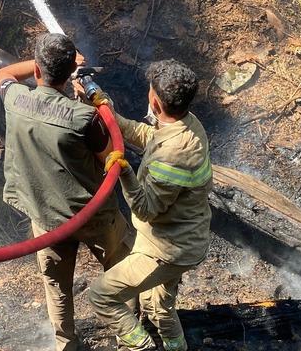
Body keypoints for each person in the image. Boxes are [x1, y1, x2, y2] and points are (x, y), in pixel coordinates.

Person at [0, 33, 133, 351]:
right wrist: (85, 93)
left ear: (39, 71)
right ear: (70, 71)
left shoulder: (14, 98)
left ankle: (65, 345)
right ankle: (129, 337)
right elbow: (111, 156)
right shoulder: (84, 117)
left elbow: (4, 73)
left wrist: (48, 63)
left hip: (45, 216)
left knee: (56, 284)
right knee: (121, 271)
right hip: (93, 215)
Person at [87, 59, 212, 351]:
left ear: (154, 102)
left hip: (168, 251)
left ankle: (140, 346)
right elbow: (148, 136)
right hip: (177, 237)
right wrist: (108, 112)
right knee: (156, 306)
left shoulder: (175, 155)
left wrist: (126, 172)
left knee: (101, 295)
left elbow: (145, 208)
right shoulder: (186, 124)